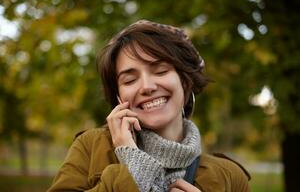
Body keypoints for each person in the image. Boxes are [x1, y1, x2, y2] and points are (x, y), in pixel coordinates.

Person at [47, 20, 251, 192]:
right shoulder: (90, 147)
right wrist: (131, 169)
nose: (147, 87)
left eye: (161, 71)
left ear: (186, 83)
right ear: (118, 96)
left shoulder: (230, 177)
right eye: (129, 80)